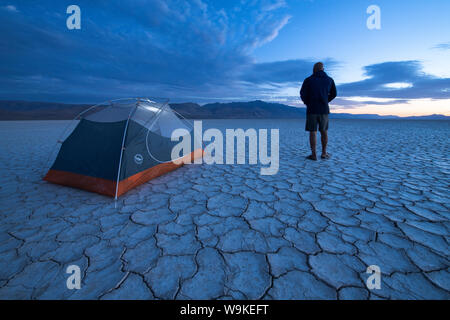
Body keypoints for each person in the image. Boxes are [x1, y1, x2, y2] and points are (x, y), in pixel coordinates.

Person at [300, 62, 337, 161]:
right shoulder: (329, 80)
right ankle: (324, 153)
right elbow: (334, 93)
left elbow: (302, 93)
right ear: (323, 69)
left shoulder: (308, 80)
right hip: (324, 109)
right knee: (324, 131)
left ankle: (314, 155)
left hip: (312, 109)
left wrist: (308, 102)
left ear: (314, 69)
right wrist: (326, 100)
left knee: (313, 132)